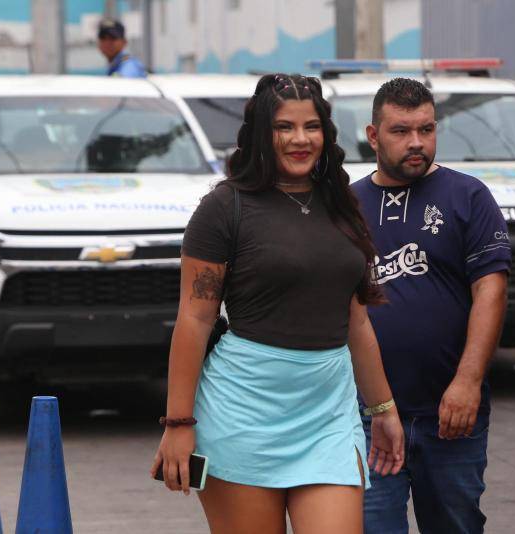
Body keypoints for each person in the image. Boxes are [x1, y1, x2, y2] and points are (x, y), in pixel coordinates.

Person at [150, 73, 405, 533]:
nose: (300, 139)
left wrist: (383, 410)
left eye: (312, 127)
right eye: (285, 127)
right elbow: (195, 317)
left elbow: (356, 322)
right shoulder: (224, 208)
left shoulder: (342, 205)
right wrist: (178, 421)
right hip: (242, 413)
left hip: (328, 413)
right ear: (262, 134)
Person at [351, 78, 510, 534]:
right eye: (401, 131)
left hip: (451, 417)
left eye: (426, 128)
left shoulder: (468, 196)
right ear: (373, 135)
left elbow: (491, 291)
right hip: (367, 417)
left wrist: (467, 382)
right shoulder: (347, 205)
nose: (416, 142)